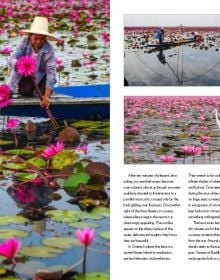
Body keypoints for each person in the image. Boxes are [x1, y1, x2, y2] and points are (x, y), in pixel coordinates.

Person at [8, 16, 59, 108]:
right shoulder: (23, 43)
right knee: (25, 92)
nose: (38, 42)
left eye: (42, 39)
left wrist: (46, 96)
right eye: (35, 38)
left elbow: (51, 73)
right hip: (25, 75)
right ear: (30, 36)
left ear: (45, 38)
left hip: (42, 78)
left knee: (44, 94)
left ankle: (43, 92)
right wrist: (22, 65)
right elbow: (11, 60)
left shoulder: (49, 50)